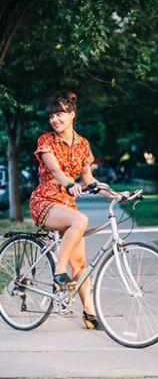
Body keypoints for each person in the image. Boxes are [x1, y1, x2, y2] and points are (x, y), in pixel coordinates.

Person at [29, 91, 102, 330]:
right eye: (51, 116)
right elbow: (57, 172)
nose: (55, 120)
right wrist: (69, 183)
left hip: (67, 204)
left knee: (81, 264)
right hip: (45, 201)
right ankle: (59, 274)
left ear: (72, 115)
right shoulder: (45, 141)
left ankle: (89, 314)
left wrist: (105, 189)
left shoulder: (82, 144)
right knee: (80, 220)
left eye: (59, 114)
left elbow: (88, 176)